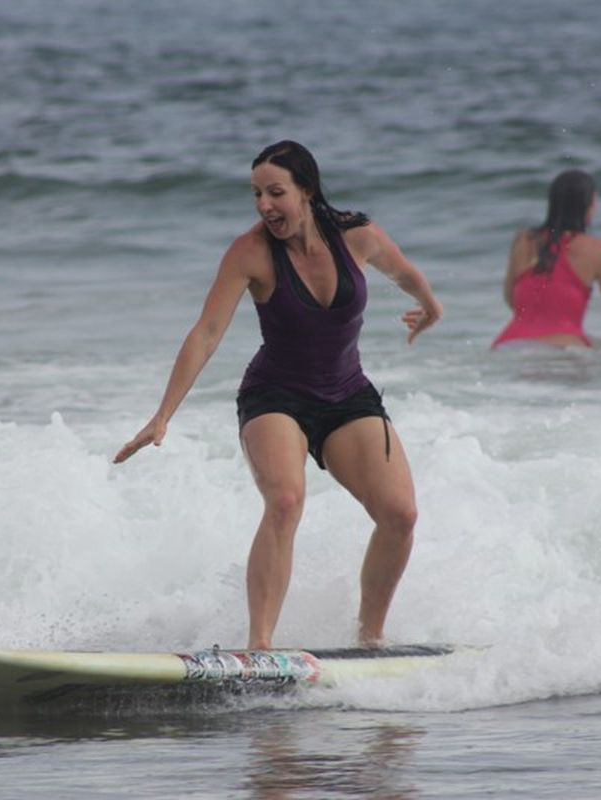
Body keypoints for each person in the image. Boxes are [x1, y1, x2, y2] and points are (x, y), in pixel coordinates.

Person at [114, 140, 444, 650]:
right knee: (285, 501)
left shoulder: (358, 238)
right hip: (276, 396)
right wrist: (163, 416)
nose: (265, 205)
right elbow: (206, 333)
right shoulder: (250, 253)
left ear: (306, 191)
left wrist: (429, 306)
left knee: (401, 515)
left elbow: (402, 271)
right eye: (256, 195)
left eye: (275, 192)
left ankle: (369, 640)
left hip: (346, 394)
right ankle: (260, 646)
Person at [492, 169, 601, 348]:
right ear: (587, 206)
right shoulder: (597, 250)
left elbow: (512, 300)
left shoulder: (524, 240)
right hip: (561, 349)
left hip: (508, 346)